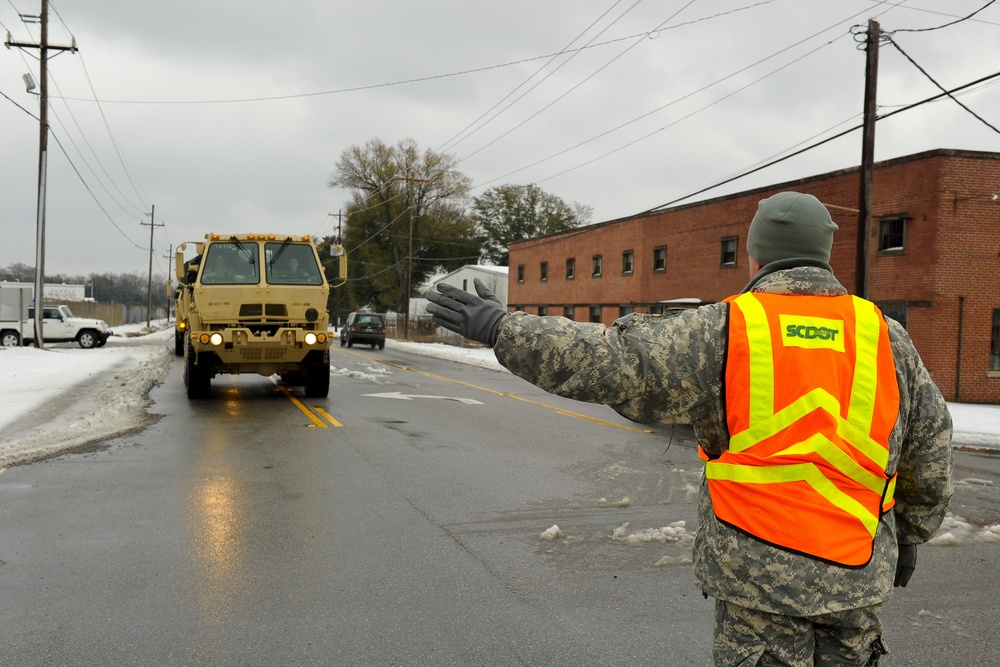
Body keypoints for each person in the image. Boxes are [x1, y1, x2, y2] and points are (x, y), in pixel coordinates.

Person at [426, 191, 953, 666]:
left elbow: (613, 362)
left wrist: (501, 327)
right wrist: (908, 533)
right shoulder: (888, 337)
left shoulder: (726, 328)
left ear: (756, 254)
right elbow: (929, 449)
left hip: (758, 582)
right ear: (823, 254)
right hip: (858, 572)